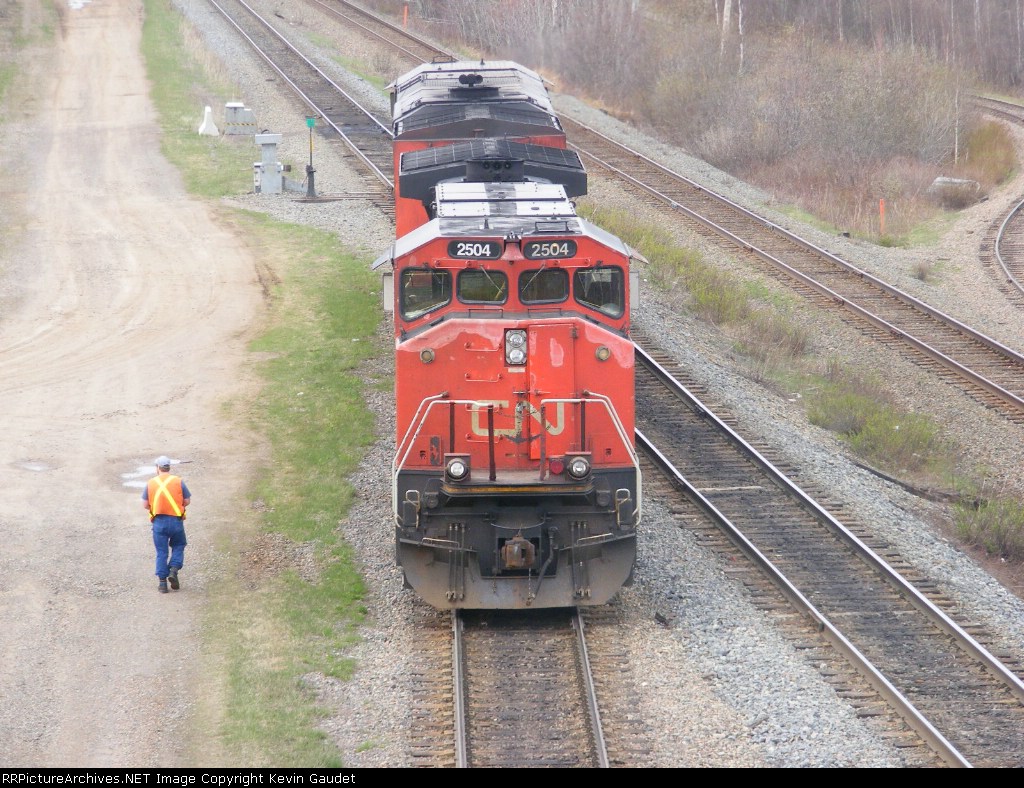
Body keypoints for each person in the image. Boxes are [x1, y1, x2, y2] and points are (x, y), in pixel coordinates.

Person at [142, 455, 191, 594]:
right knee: (179, 545)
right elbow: (187, 501)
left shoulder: (151, 483)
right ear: (169, 467)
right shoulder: (178, 481)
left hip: (159, 522)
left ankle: (162, 584)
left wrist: (157, 506)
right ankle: (174, 569)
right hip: (176, 521)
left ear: (157, 468)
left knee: (161, 552)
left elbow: (145, 504)